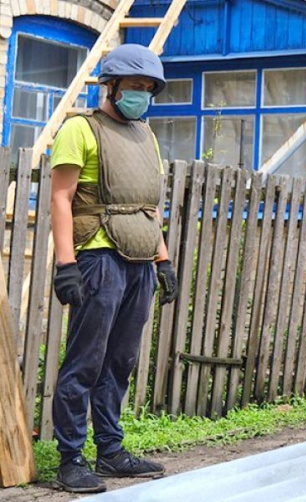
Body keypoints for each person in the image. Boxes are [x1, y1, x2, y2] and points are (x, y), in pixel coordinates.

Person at [50, 44, 178, 493]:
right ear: (111, 85)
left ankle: (110, 451)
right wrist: (66, 264)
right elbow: (61, 199)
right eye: (134, 87)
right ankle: (69, 459)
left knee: (120, 361)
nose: (141, 95)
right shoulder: (79, 130)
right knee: (85, 361)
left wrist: (163, 260)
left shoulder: (147, 136)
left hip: (140, 259)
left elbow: (147, 208)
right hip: (97, 258)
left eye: (148, 89)